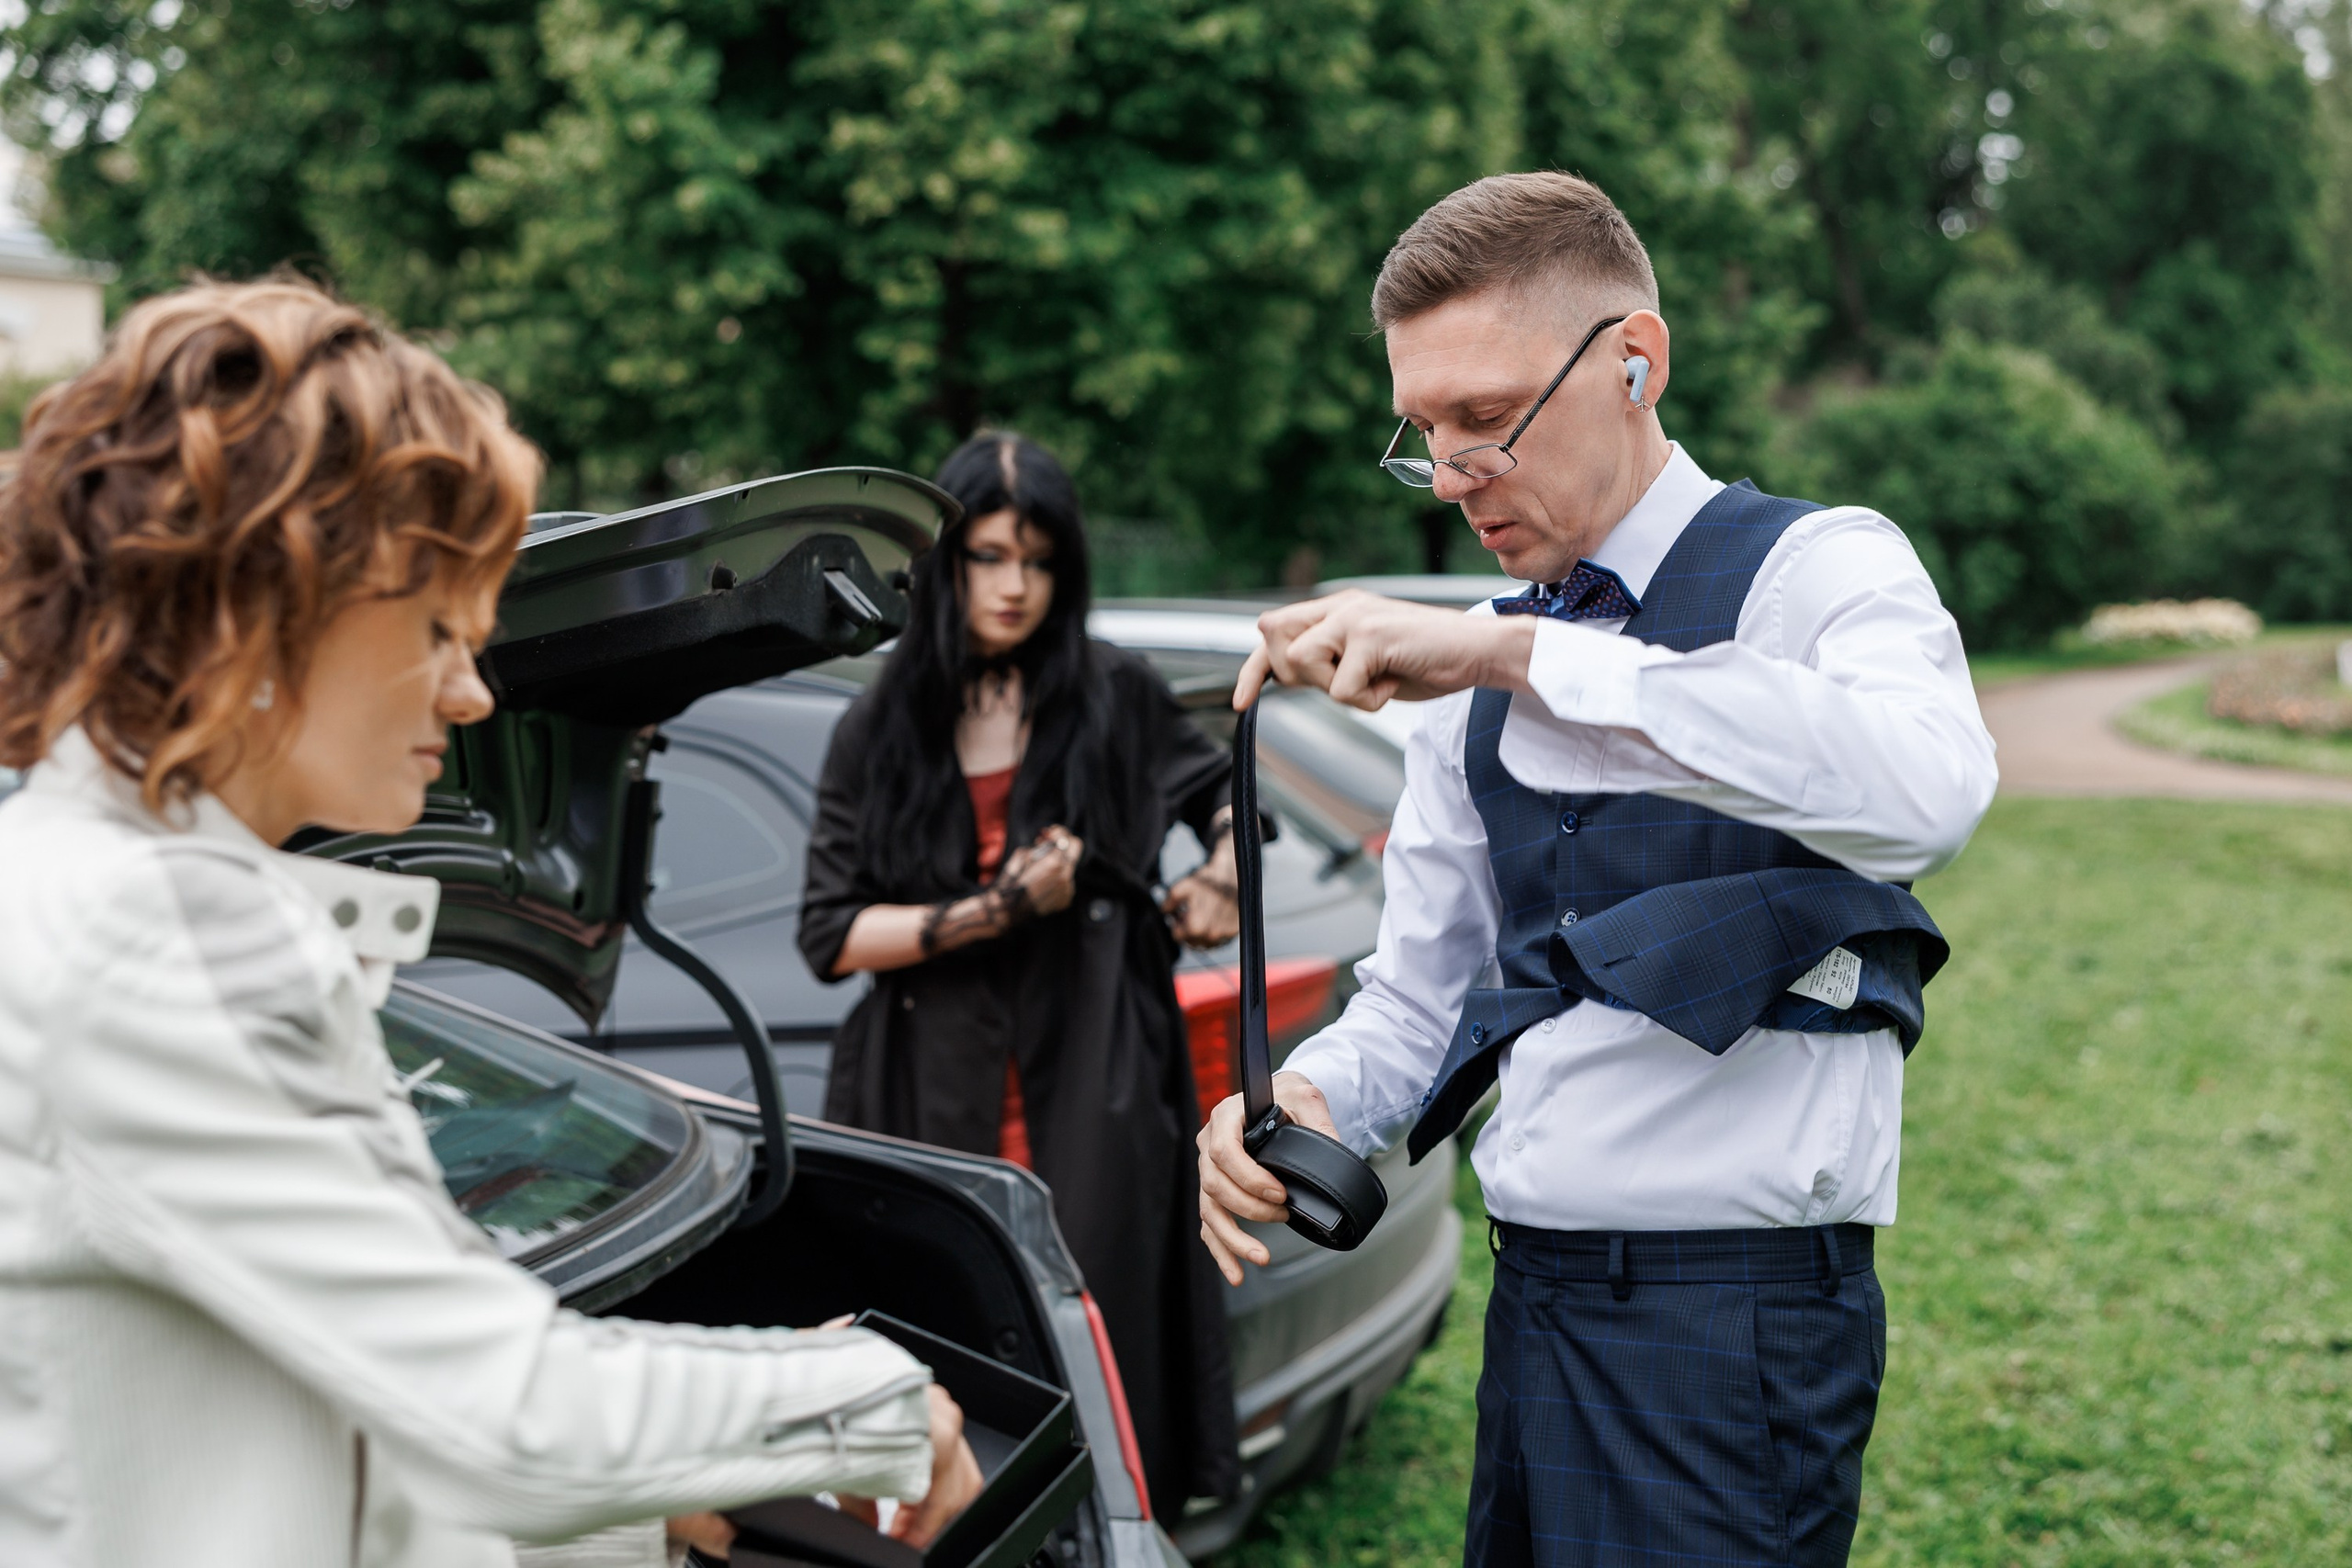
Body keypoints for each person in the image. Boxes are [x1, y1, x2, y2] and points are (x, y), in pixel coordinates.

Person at [0, 278, 981, 1568]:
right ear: (274, 604)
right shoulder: (165, 933)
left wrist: (646, 1506)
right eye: (438, 630)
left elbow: (337, 1403)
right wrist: (872, 1401)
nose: (473, 693)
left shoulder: (77, 880)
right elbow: (498, 1411)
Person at [1197, 173, 2000, 1566]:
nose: (1453, 476)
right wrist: (1307, 1094)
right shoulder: (1478, 672)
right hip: (1538, 1298)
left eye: (1489, 422)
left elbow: (1930, 790)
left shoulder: (1820, 569)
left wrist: (1520, 652)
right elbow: (1426, 991)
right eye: (1426, 432)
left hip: (1733, 1322)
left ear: (1639, 356)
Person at [801, 432, 1243, 1516]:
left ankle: (1115, 1529)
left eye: (1037, 561)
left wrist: (1223, 876)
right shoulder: (882, 724)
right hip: (925, 1086)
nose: (1013, 586)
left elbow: (1225, 795)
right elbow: (833, 936)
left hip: (1094, 1069)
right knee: (948, 1340)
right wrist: (996, 910)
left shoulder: (1110, 693)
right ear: (942, 565)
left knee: (1102, 1332)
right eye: (988, 556)